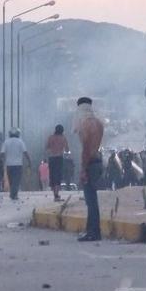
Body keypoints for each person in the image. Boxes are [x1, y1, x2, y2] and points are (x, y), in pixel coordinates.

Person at [74, 97, 104, 242]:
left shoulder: (84, 124)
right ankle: (93, 230)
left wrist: (83, 169)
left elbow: (86, 148)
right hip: (98, 160)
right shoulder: (99, 123)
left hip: (90, 163)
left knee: (90, 200)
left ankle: (92, 232)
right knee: (93, 199)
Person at [0, 128, 31, 200]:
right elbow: (25, 152)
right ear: (17, 134)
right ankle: (13, 194)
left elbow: (2, 153)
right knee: (16, 181)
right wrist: (29, 161)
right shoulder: (20, 142)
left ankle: (13, 194)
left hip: (9, 165)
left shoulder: (6, 142)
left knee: (11, 180)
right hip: (18, 165)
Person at [46, 124, 69, 201]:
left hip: (51, 158)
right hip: (59, 158)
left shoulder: (50, 137)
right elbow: (67, 149)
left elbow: (47, 147)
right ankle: (56, 194)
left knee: (52, 175)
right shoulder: (63, 138)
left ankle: (55, 194)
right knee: (58, 176)